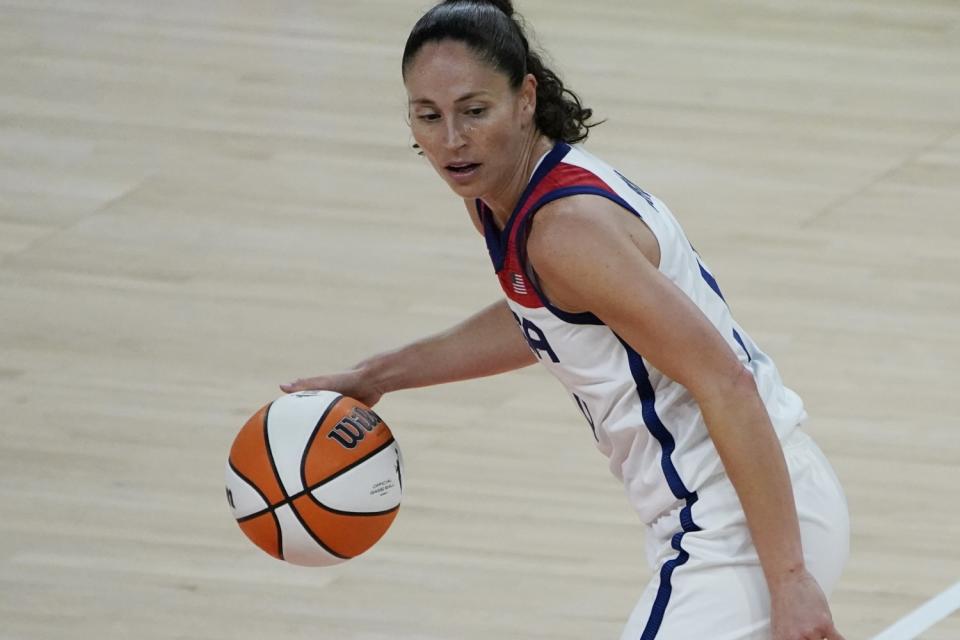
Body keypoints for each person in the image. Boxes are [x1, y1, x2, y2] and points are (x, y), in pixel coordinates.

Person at [282, 1, 850, 638]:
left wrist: (790, 579)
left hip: (743, 518)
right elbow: (547, 318)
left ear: (525, 97)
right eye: (427, 115)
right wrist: (378, 374)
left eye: (474, 111)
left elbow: (727, 382)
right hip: (732, 504)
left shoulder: (565, 230)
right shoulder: (506, 198)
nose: (450, 140)